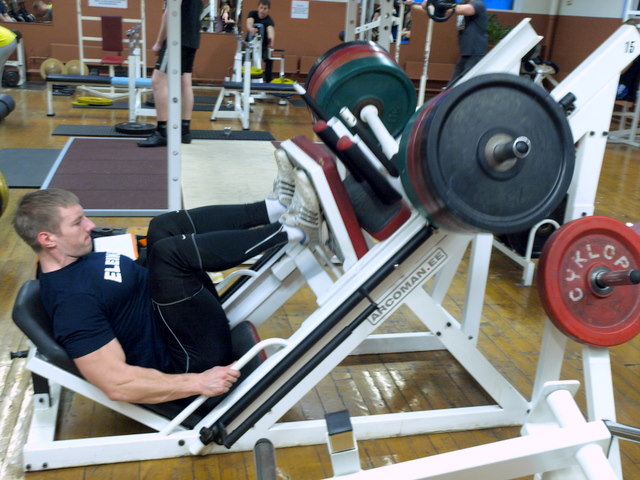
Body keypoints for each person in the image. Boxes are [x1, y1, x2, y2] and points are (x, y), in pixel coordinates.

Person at [12, 151, 323, 405]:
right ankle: (293, 231)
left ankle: (275, 208)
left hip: (178, 321)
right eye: (77, 223)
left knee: (162, 228)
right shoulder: (72, 305)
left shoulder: (78, 256)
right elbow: (116, 383)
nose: (90, 225)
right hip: (187, 358)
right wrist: (198, 382)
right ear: (47, 239)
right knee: (170, 254)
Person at [138, 0, 203, 148]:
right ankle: (184, 131)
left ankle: (162, 132)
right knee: (185, 81)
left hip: (176, 38)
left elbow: (169, 12)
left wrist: (159, 42)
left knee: (158, 81)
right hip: (192, 38)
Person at [423, 0, 488, 88]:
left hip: (476, 54)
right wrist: (430, 3)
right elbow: (434, 8)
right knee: (452, 86)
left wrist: (442, 4)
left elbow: (462, 9)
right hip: (465, 53)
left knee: (465, 86)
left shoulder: (478, 4)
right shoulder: (462, 4)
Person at [245, 0, 275, 83]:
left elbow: (270, 30)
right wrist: (251, 28)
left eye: (265, 8)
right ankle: (242, 78)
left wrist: (271, 40)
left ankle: (268, 81)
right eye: (261, 8)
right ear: (258, 8)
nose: (262, 10)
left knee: (269, 59)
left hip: (262, 46)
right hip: (250, 44)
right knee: (243, 57)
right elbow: (249, 21)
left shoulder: (269, 20)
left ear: (268, 10)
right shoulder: (252, 14)